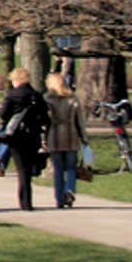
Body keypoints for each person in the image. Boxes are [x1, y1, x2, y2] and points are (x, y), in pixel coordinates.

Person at [0, 67, 47, 211]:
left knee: (21, 170)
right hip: (32, 135)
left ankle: (25, 201)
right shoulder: (36, 95)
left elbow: (3, 113)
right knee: (28, 169)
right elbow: (44, 116)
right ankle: (28, 200)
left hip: (16, 136)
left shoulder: (12, 95)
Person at [42, 72, 89, 209]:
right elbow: (79, 121)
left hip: (54, 136)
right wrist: (84, 138)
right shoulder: (72, 99)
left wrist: (43, 139)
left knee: (58, 169)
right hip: (71, 135)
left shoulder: (47, 100)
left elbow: (44, 123)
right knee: (71, 167)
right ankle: (69, 189)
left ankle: (59, 198)